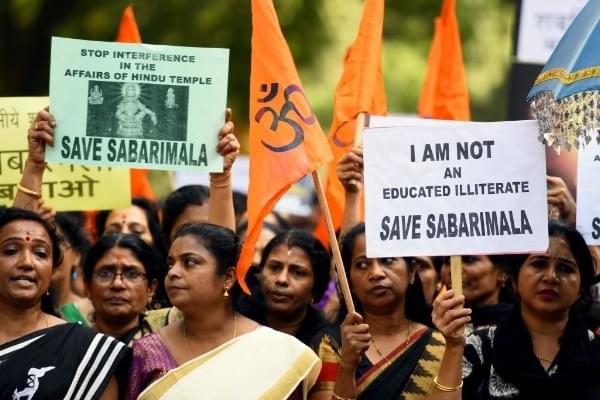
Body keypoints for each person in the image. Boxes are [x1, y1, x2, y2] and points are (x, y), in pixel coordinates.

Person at [128, 224, 321, 399]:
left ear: (228, 277)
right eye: (171, 263)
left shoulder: (279, 352)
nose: (173, 273)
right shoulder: (148, 351)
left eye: (190, 262)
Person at [431, 220, 600, 399]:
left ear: (581, 288)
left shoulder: (595, 351)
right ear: (513, 278)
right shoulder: (480, 348)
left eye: (565, 269)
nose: (551, 277)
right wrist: (454, 347)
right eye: (539, 264)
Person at [0, 207, 128, 399]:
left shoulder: (85, 351)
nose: (27, 262)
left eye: (40, 254)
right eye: (11, 251)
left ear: (51, 270)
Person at [310, 223, 445, 400]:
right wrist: (347, 366)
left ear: (411, 272)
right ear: (348, 282)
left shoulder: (439, 344)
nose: (376, 273)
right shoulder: (331, 343)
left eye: (387, 260)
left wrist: (456, 345)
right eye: (363, 264)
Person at [84, 233, 178, 345]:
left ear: (151, 288)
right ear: (88, 286)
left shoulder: (170, 334)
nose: (117, 284)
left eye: (132, 274)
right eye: (105, 273)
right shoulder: (73, 346)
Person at [240, 229, 331, 345]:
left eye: (297, 272)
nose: (282, 279)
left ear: (316, 288)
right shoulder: (236, 326)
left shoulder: (326, 344)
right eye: (274, 267)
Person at [440, 254, 514, 333]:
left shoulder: (520, 325)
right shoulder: (431, 326)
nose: (453, 270)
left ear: (502, 272)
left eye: (469, 260)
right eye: (448, 261)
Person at [51, 212, 92, 325]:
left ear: (76, 256)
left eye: (57, 242)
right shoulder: (12, 314)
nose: (50, 253)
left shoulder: (94, 311)